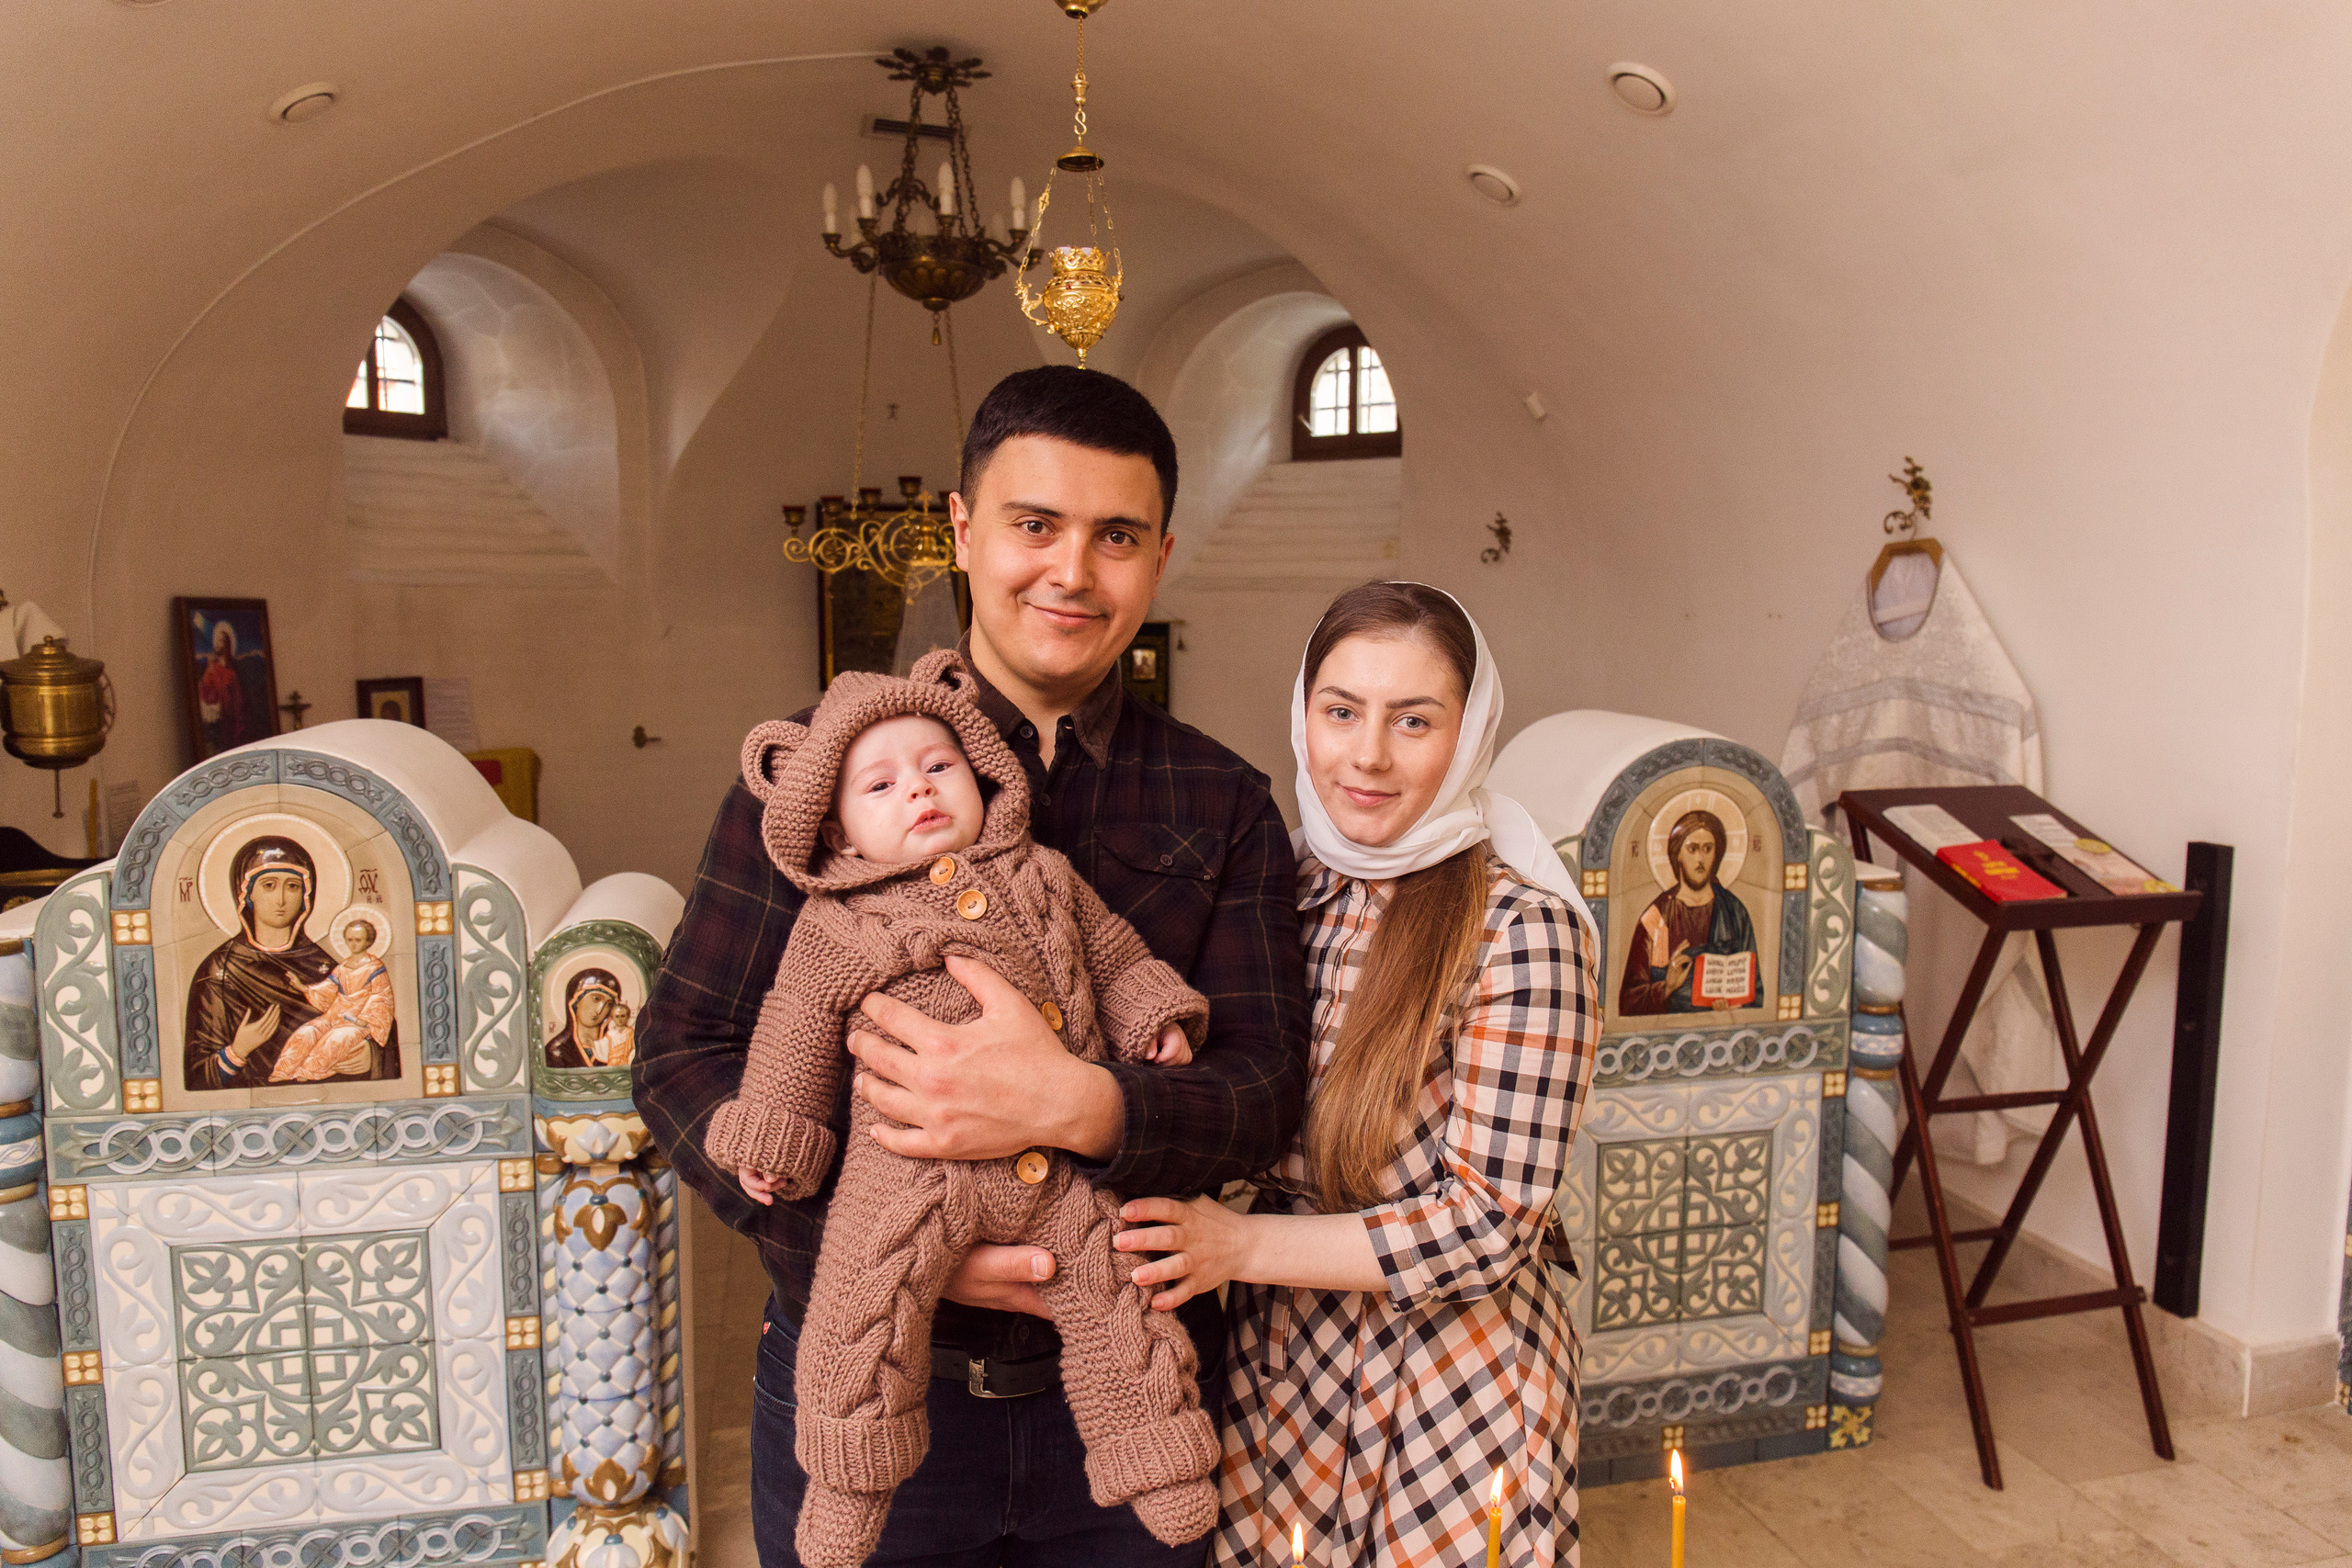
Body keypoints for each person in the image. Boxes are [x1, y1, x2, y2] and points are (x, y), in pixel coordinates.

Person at [633, 365, 1312, 1567]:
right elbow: (683, 1052)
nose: (1071, 570)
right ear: (960, 529)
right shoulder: (824, 785)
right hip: (883, 1383)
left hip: (1130, 1372)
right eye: (1034, 523)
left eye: (1115, 536)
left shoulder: (1223, 800)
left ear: (1159, 554)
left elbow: (1261, 1091)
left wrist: (1084, 1099)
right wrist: (861, 1239)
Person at [1114, 582, 1600, 1568]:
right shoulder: (1280, 883)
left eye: (1412, 721)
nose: (1367, 755)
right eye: (1340, 712)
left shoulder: (1521, 930)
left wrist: (1235, 1244)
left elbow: (1486, 1225)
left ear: (1468, 737)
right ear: (1302, 717)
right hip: (1279, 1357)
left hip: (1453, 1383)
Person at [711, 651, 1217, 1567]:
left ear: (982, 771)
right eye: (881, 782)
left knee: (1121, 1305)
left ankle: (1159, 1460)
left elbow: (1115, 956)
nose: (918, 790)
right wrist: (779, 1137)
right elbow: (791, 1032)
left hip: (1060, 1161)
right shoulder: (836, 926)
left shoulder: (1046, 878)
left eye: (939, 765)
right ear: (837, 827)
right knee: (860, 1313)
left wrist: (1155, 1015)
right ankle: (849, 1483)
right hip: (906, 1167)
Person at [184, 836, 347, 1089]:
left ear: (306, 895)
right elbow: (196, 1077)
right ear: (247, 895)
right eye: (269, 885)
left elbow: (372, 1026)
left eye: (292, 886)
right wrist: (238, 1051)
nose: (281, 899)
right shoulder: (222, 969)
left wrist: (370, 1055)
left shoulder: (325, 967)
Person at [1616, 807, 1758, 1015]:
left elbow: (1755, 989)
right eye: (1693, 849)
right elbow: (1628, 1001)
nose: (1701, 859)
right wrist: (1667, 986)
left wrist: (1735, 1006)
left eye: (1708, 849)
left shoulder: (1735, 912)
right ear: (1678, 854)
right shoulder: (1657, 917)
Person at [269, 905, 398, 1083]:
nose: (353, 944)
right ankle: (283, 1071)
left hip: (358, 1022)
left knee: (335, 1038)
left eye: (358, 940)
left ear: (368, 941)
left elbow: (382, 998)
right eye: (350, 940)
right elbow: (327, 990)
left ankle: (307, 1072)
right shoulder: (343, 967)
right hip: (335, 1015)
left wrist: (365, 1020)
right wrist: (302, 987)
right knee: (306, 1032)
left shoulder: (375, 968)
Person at [546, 969, 635, 1068]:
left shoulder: (618, 1043)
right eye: (596, 999)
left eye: (608, 1004)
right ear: (576, 1002)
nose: (599, 1010)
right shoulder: (557, 1051)